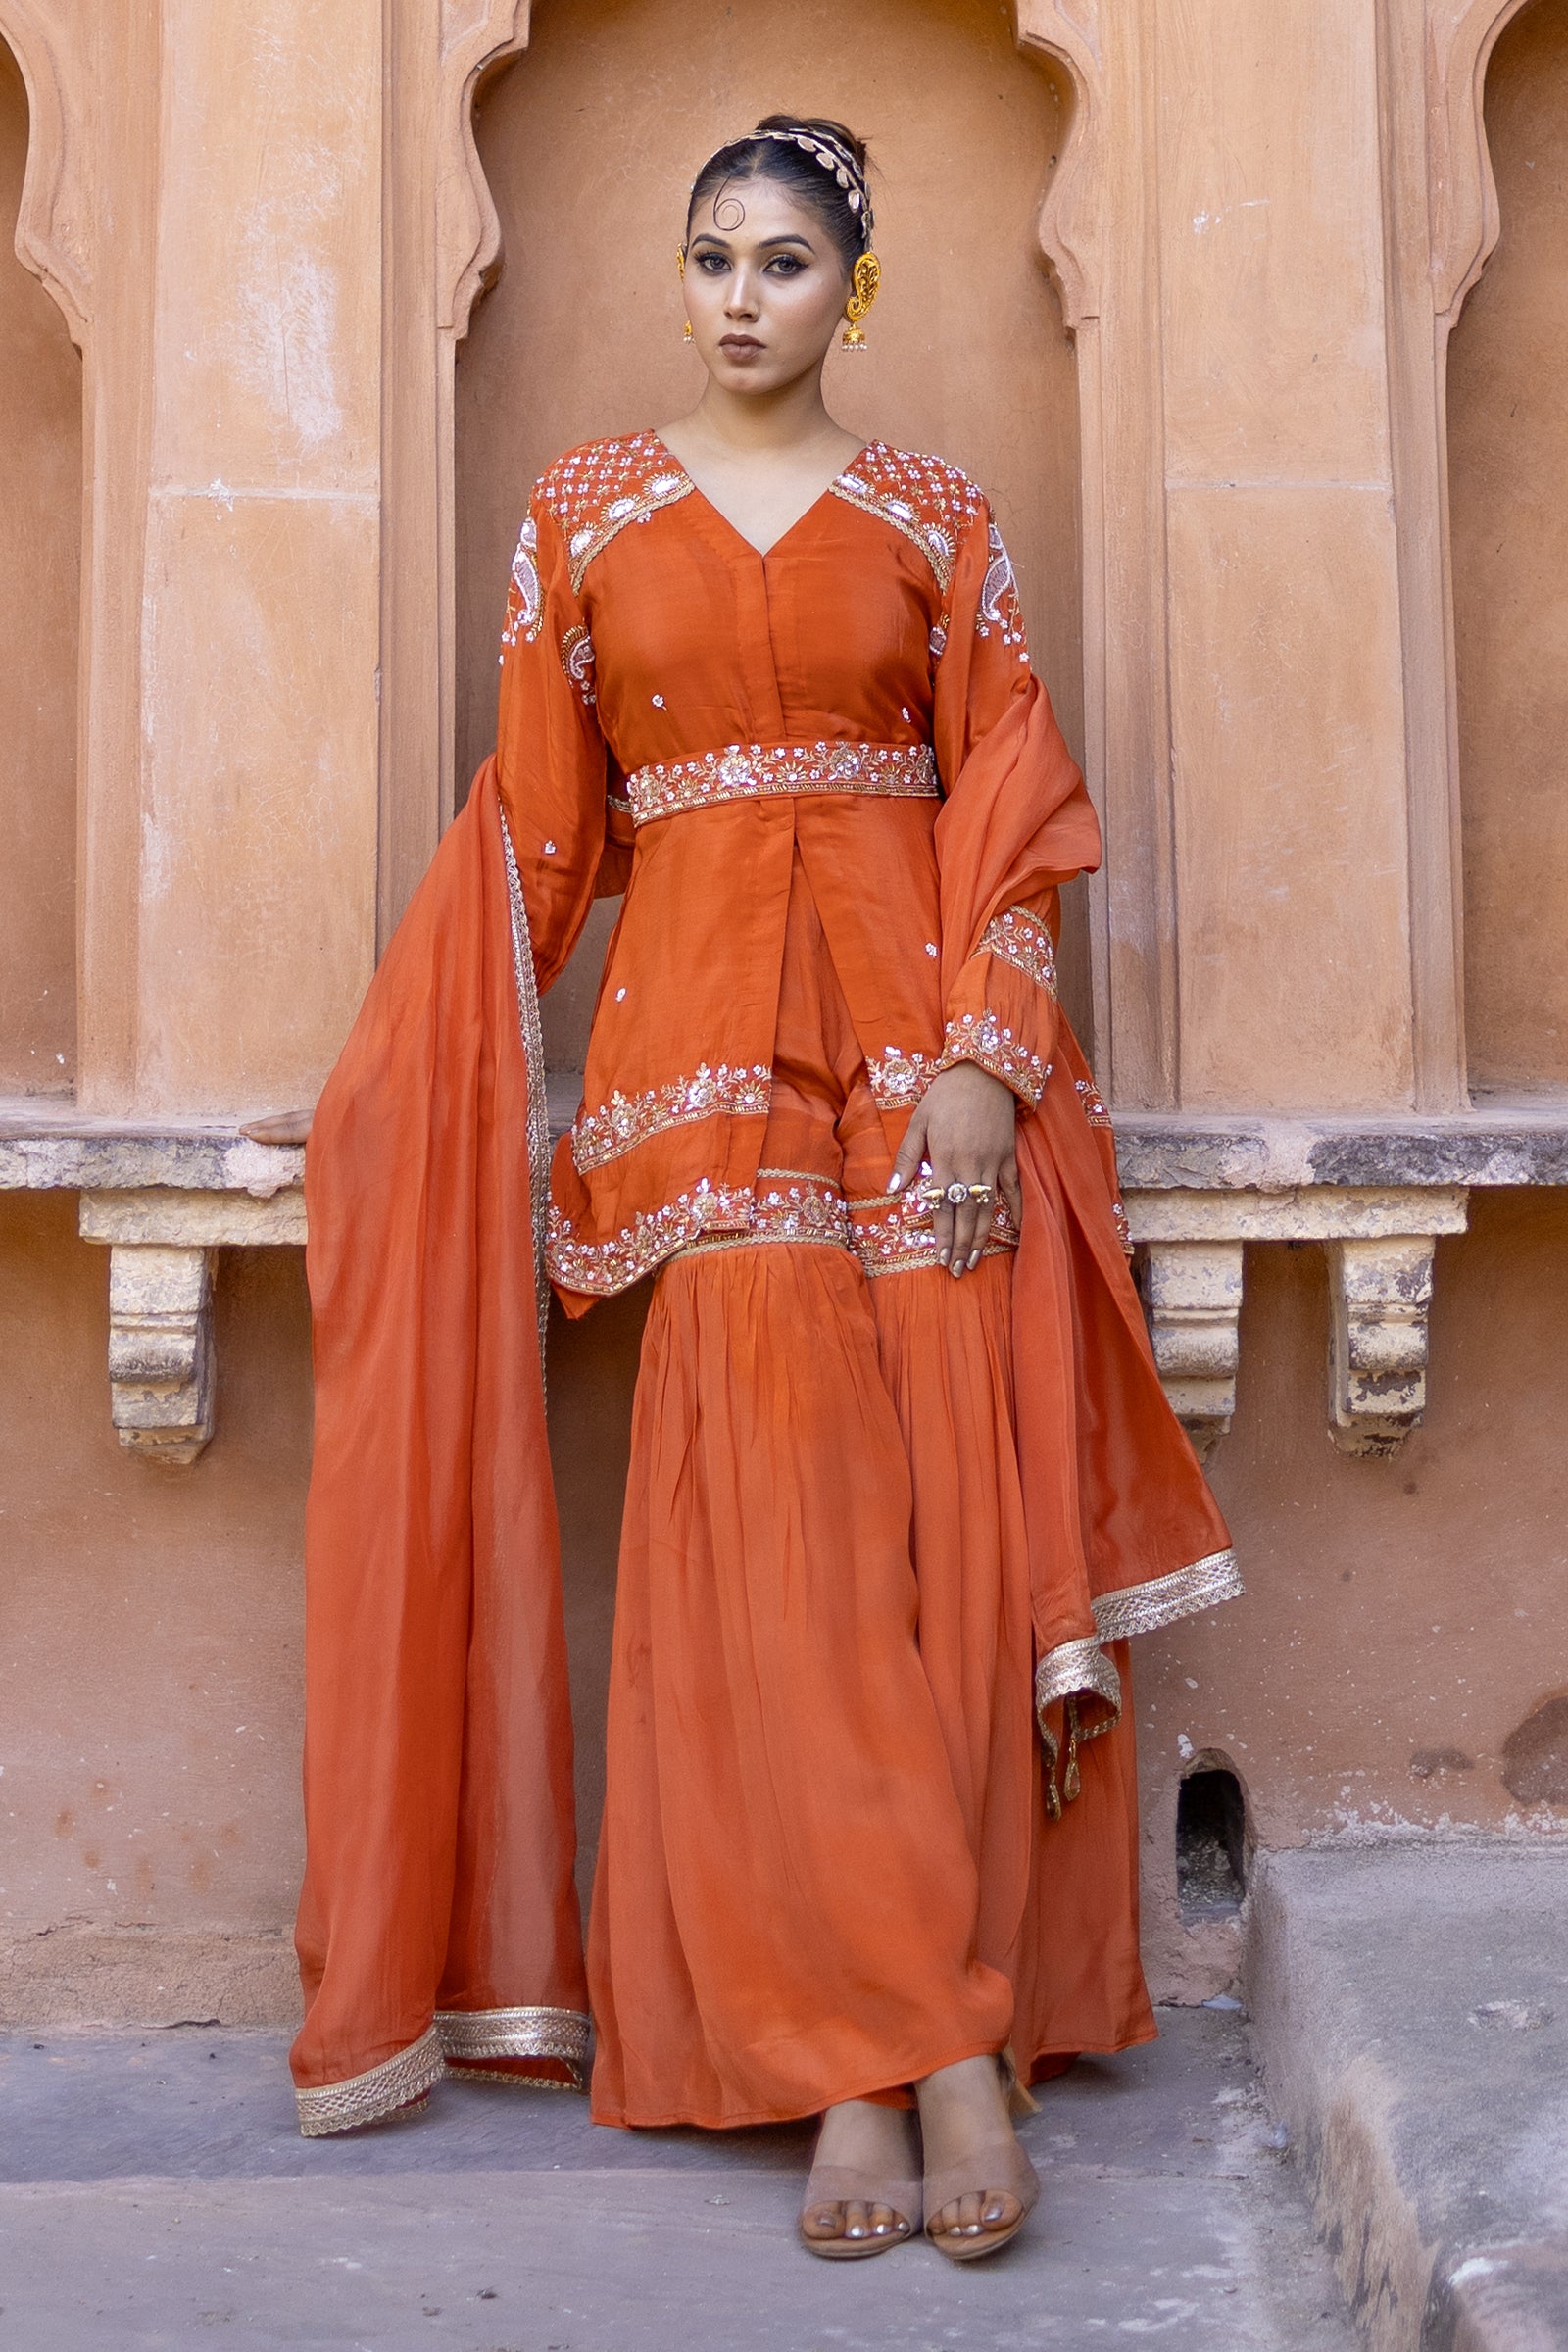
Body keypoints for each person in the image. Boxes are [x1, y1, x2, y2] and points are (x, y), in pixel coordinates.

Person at [257, 115, 1240, 2264]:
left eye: (783, 260)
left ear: (848, 289)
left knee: (946, 1560)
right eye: (708, 253)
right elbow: (532, 845)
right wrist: (405, 1100)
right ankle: (904, 2049)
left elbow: (1011, 800)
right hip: (698, 1100)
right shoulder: (583, 519)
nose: (736, 293)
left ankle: (886, 2067)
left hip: (927, 1097)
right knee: (772, 1577)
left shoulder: (935, 522)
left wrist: (988, 1062)